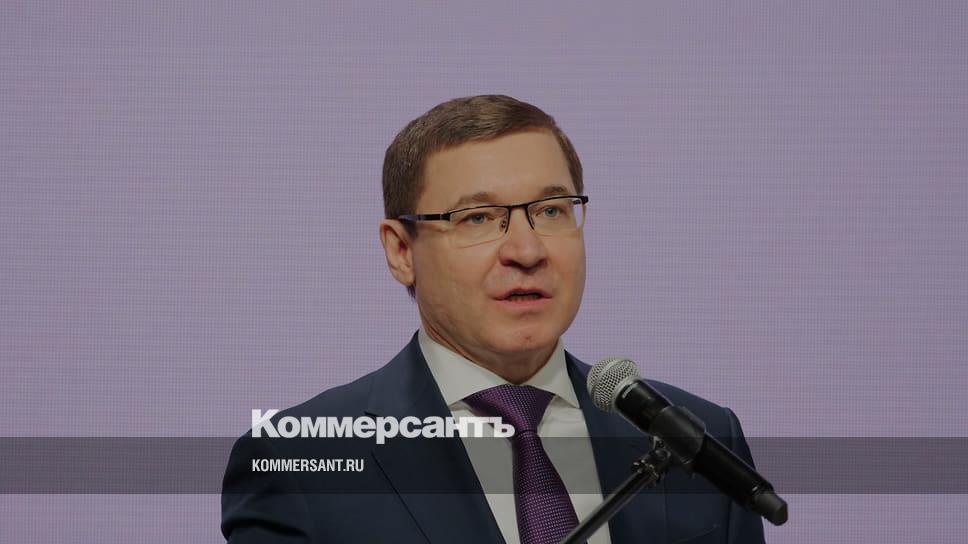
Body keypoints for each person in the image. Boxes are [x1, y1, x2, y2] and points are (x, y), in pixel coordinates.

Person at [221, 95, 766, 543]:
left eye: (551, 210)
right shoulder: (299, 462)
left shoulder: (700, 437)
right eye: (478, 218)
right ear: (401, 251)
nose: (527, 250)